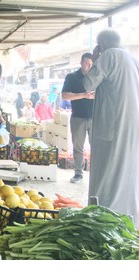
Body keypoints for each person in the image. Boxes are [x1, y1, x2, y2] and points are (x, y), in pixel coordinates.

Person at [83, 29, 139, 228]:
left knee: (107, 170)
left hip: (111, 125)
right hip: (131, 125)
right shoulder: (133, 60)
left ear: (102, 44)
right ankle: (127, 218)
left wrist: (96, 58)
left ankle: (103, 215)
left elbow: (88, 83)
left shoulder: (108, 55)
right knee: (127, 171)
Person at [62, 52, 94, 184]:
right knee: (78, 147)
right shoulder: (72, 77)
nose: (88, 66)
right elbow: (65, 96)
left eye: (91, 64)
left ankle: (96, 174)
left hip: (95, 118)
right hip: (78, 118)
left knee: (97, 147)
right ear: (81, 62)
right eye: (86, 63)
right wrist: (83, 95)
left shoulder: (96, 78)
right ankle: (78, 173)